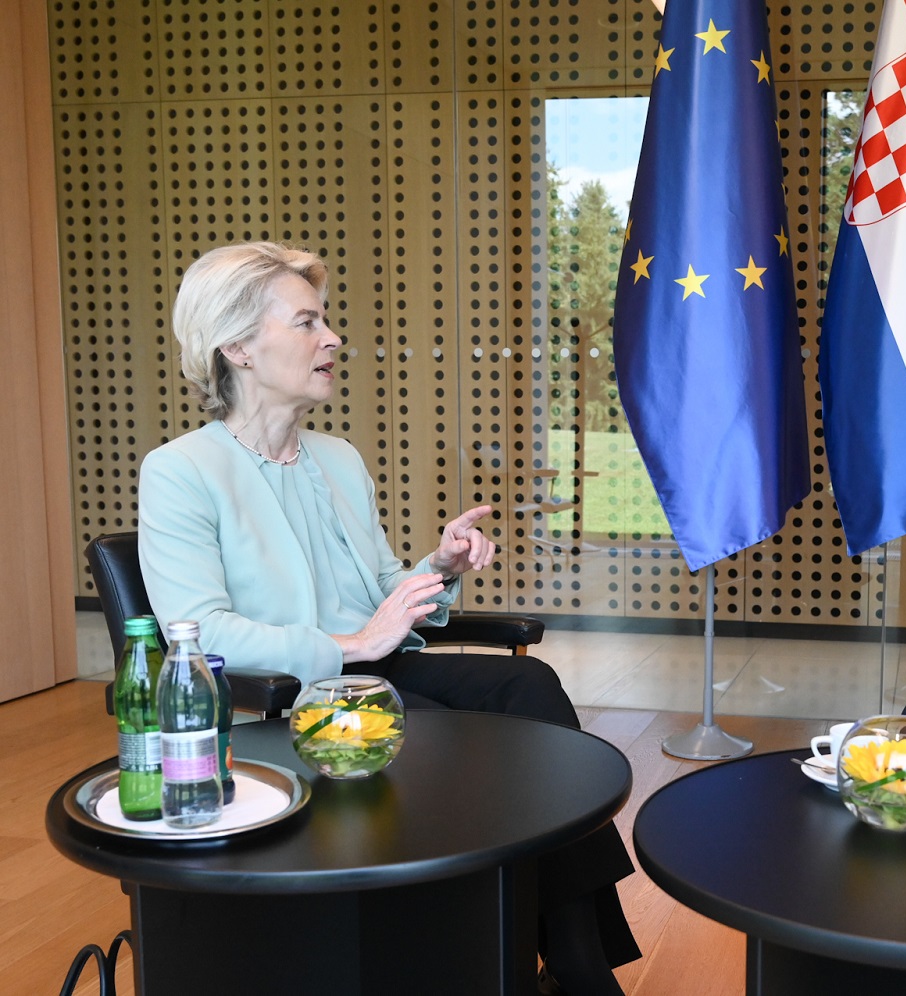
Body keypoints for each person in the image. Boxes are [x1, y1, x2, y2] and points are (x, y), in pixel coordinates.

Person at [138, 241, 639, 996]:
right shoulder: (180, 472)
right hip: (283, 699)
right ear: (237, 347)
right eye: (307, 322)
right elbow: (199, 633)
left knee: (528, 691)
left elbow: (381, 593)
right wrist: (355, 644)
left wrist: (437, 568)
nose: (333, 337)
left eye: (325, 319)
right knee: (453, 729)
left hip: (369, 672)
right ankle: (486, 959)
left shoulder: (335, 458)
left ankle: (575, 960)